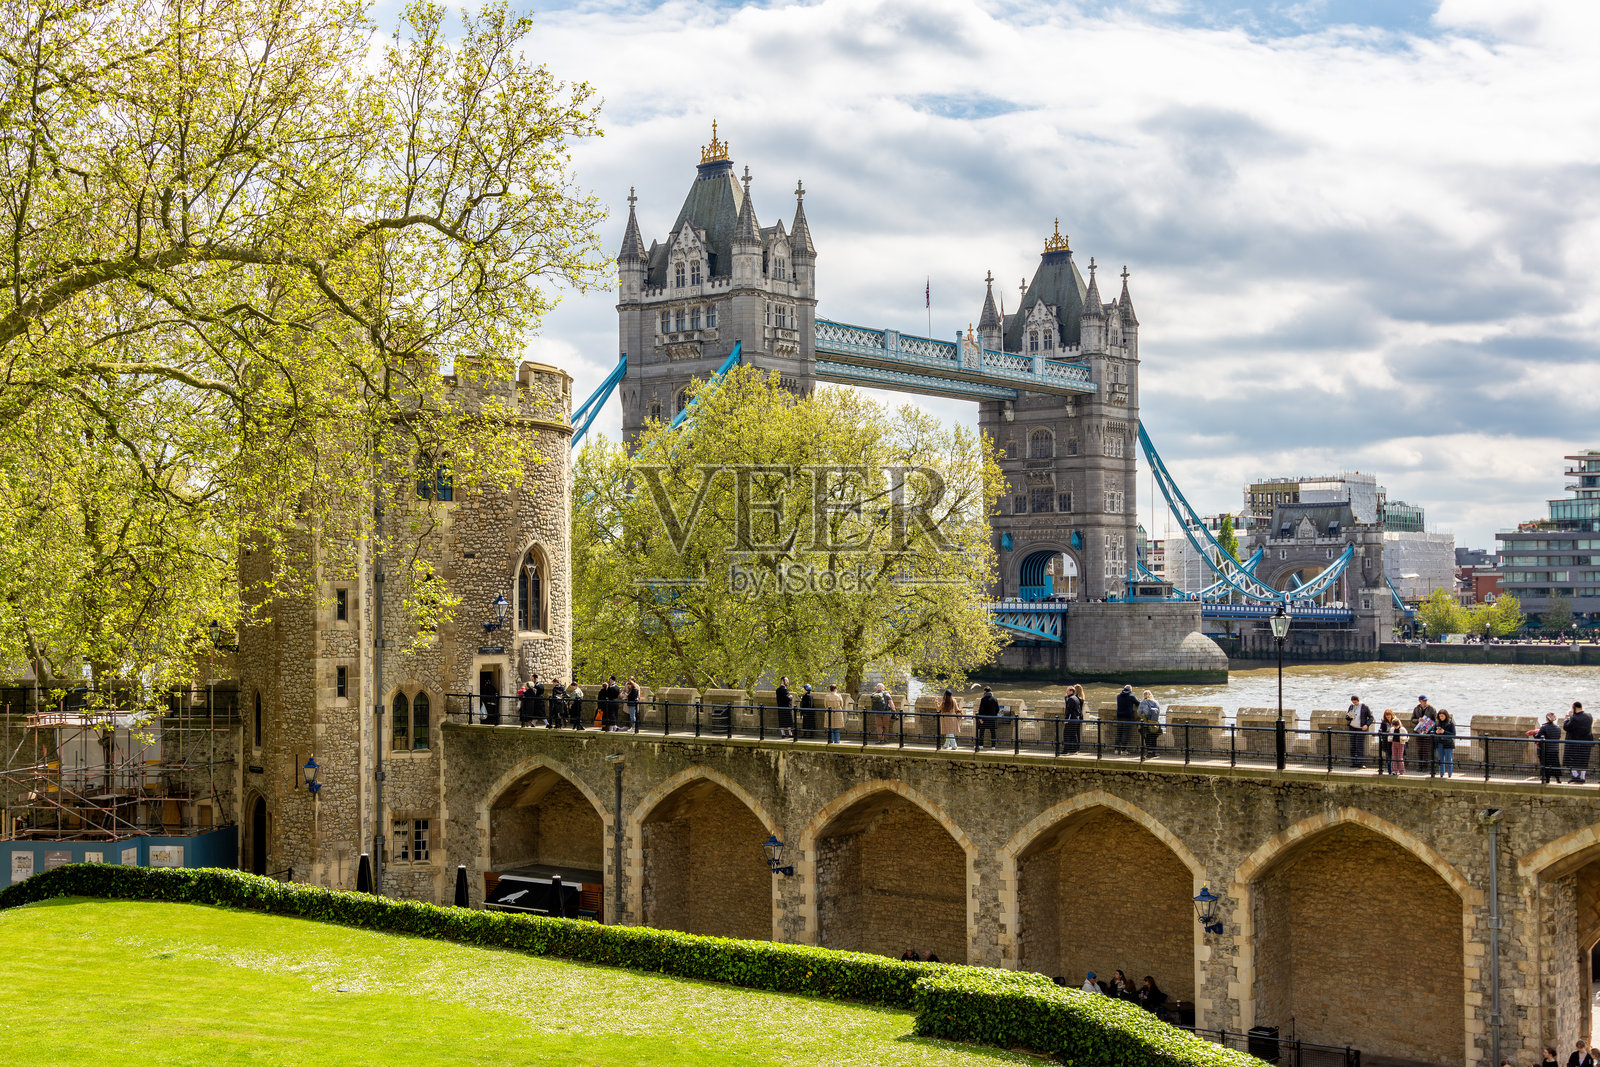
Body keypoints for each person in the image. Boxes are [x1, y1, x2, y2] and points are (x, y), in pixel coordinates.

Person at [1564, 701, 1593, 783]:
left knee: (1571, 759)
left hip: (1575, 743)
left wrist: (1567, 718)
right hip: (1587, 743)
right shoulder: (1589, 716)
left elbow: (1566, 727)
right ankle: (1583, 777)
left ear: (1574, 708)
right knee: (1584, 760)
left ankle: (1576, 775)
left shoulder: (1574, 718)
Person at [1528, 712, 1562, 783]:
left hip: (1545, 749)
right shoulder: (1558, 728)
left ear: (1546, 718)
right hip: (1555, 749)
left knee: (1545, 764)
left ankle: (1547, 779)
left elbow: (1538, 736)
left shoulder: (1544, 727)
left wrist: (1535, 733)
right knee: (1555, 764)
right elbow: (1558, 737)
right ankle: (1558, 779)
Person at [1411, 695, 1437, 776]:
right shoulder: (1416, 709)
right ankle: (1420, 766)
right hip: (1419, 732)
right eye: (1423, 700)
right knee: (1420, 749)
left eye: (1426, 700)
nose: (1425, 702)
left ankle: (1425, 766)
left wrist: (1430, 724)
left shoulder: (1431, 709)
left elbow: (1435, 720)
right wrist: (1418, 720)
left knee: (1426, 750)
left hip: (1427, 732)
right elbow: (1412, 719)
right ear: (1420, 701)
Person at [1345, 695, 1373, 769]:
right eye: (1353, 702)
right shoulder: (1351, 707)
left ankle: (1360, 763)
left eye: (1356, 702)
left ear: (1358, 700)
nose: (1355, 703)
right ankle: (1354, 762)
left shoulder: (1364, 707)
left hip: (1361, 729)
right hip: (1352, 728)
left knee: (1359, 746)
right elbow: (1347, 717)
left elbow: (1371, 717)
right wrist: (1349, 717)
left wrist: (1366, 725)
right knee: (1352, 746)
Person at [1114, 684, 1140, 754]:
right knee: (1125, 733)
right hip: (1128, 717)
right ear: (1130, 690)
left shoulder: (1118, 696)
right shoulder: (1131, 696)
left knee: (1119, 733)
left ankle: (1116, 749)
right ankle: (1123, 750)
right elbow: (1138, 703)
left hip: (1119, 716)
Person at [1433, 709, 1457, 778]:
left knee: (1449, 760)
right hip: (1439, 743)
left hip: (1448, 744)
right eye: (1440, 716)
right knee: (1440, 760)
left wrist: (1444, 732)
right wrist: (1436, 732)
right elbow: (1432, 732)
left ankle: (1450, 774)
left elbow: (1453, 734)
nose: (1441, 718)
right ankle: (1441, 774)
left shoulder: (1450, 723)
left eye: (1442, 716)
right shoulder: (1437, 723)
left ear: (1446, 716)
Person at [1137, 690, 1162, 758]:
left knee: (1147, 738)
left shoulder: (1142, 703)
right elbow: (1158, 712)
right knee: (1154, 737)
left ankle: (1149, 753)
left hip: (1145, 723)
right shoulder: (1156, 702)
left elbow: (1138, 712)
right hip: (1154, 723)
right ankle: (1153, 752)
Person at [1061, 684, 1084, 755]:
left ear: (1071, 691)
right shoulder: (1076, 698)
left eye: (1067, 691)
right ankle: (1074, 750)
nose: (1066, 692)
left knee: (1067, 734)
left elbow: (1069, 710)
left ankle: (1066, 750)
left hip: (1071, 720)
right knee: (1074, 735)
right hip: (1076, 719)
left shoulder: (1071, 699)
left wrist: (1066, 719)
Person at [976, 686, 1000, 751]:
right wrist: (994, 715)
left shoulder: (983, 699)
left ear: (985, 691)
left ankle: (981, 745)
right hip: (992, 719)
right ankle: (993, 746)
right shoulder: (995, 699)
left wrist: (980, 718)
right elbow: (998, 709)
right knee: (993, 732)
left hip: (984, 719)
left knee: (982, 731)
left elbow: (981, 710)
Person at [1376, 709, 1395, 774]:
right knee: (1388, 754)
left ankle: (1393, 768)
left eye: (1389, 715)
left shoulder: (1395, 721)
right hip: (1386, 740)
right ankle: (1389, 767)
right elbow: (1382, 730)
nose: (1388, 717)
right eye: (1387, 715)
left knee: (1394, 754)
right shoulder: (1384, 722)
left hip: (1394, 740)